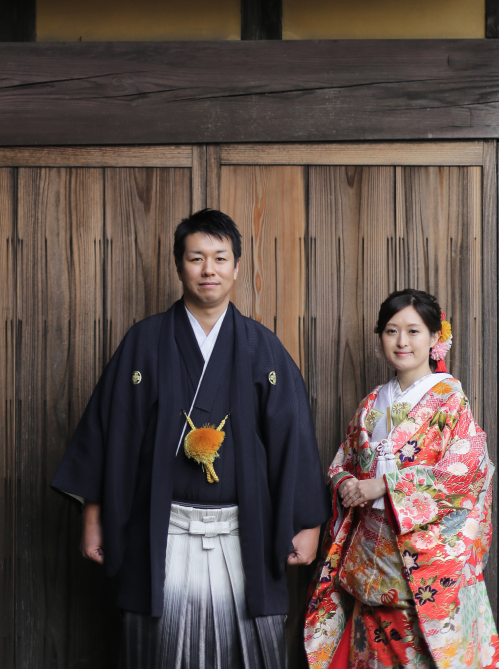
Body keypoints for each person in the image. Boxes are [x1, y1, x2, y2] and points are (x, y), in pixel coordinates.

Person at [52, 208, 331, 669]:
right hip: (160, 527)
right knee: (157, 649)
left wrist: (308, 522)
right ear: (179, 265)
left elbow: (292, 437)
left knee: (247, 649)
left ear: (237, 267)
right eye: (196, 258)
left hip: (244, 530)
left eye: (220, 258)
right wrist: (94, 514)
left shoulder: (263, 347)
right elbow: (110, 431)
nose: (208, 270)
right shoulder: (144, 342)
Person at [304, 289, 499, 669]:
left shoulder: (450, 401)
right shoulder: (371, 403)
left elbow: (465, 474)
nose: (401, 341)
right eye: (391, 330)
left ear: (435, 339)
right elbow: (340, 464)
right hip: (370, 565)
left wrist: (385, 486)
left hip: (419, 567)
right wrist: (345, 483)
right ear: (380, 336)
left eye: (414, 331)